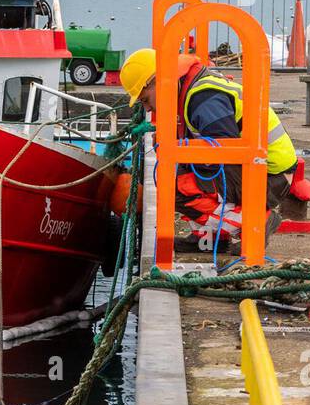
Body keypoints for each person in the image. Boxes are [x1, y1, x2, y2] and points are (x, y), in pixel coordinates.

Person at [120, 47, 299, 253]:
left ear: (158, 81)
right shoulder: (193, 89)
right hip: (263, 168)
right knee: (179, 171)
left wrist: (178, 147)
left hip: (269, 175)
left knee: (175, 184)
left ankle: (254, 223)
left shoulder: (203, 98)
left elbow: (224, 148)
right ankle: (209, 236)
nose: (148, 109)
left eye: (145, 100)